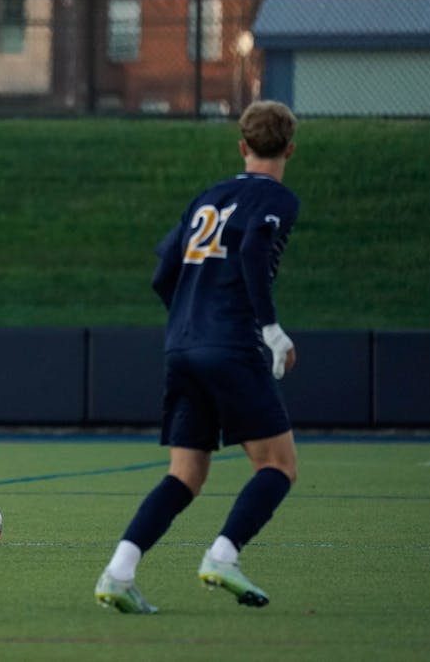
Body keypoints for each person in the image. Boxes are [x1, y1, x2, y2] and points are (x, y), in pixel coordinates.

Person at [94, 100, 301, 614]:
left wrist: (189, 323)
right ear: (290, 149)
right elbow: (254, 251)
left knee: (185, 474)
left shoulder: (208, 197)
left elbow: (163, 275)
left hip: (183, 347)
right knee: (278, 465)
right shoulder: (277, 197)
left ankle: (118, 573)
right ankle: (223, 556)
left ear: (242, 146)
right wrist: (272, 330)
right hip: (231, 343)